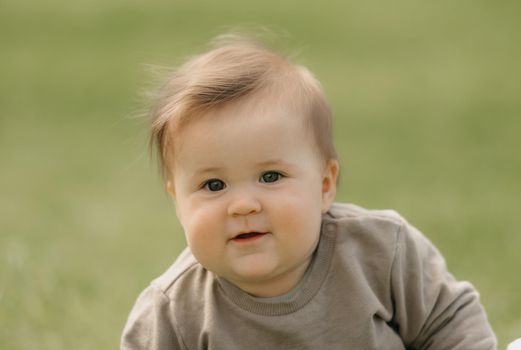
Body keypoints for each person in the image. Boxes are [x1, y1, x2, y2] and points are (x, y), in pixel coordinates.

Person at [121, 34, 497, 349]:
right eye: (213, 185)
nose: (243, 205)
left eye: (270, 177)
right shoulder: (173, 311)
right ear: (178, 201)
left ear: (324, 185)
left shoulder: (380, 251)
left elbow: (449, 320)